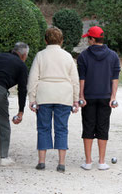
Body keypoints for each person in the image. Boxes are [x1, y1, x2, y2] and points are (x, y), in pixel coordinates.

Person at [27, 27, 79, 173]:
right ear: (62, 41)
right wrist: (76, 100)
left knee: (43, 127)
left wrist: (32, 98)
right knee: (62, 128)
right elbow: (75, 80)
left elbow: (33, 78)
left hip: (44, 95)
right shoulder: (68, 56)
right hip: (64, 95)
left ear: (45, 40)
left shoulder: (40, 55)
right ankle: (61, 163)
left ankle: (41, 161)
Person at [77, 26, 120, 171]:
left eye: (88, 38)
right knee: (103, 127)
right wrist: (113, 97)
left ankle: (88, 161)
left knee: (88, 127)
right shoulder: (113, 55)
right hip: (105, 96)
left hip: (88, 96)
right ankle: (102, 162)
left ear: (93, 39)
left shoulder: (83, 56)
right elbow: (115, 79)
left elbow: (82, 79)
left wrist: (81, 96)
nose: (87, 40)